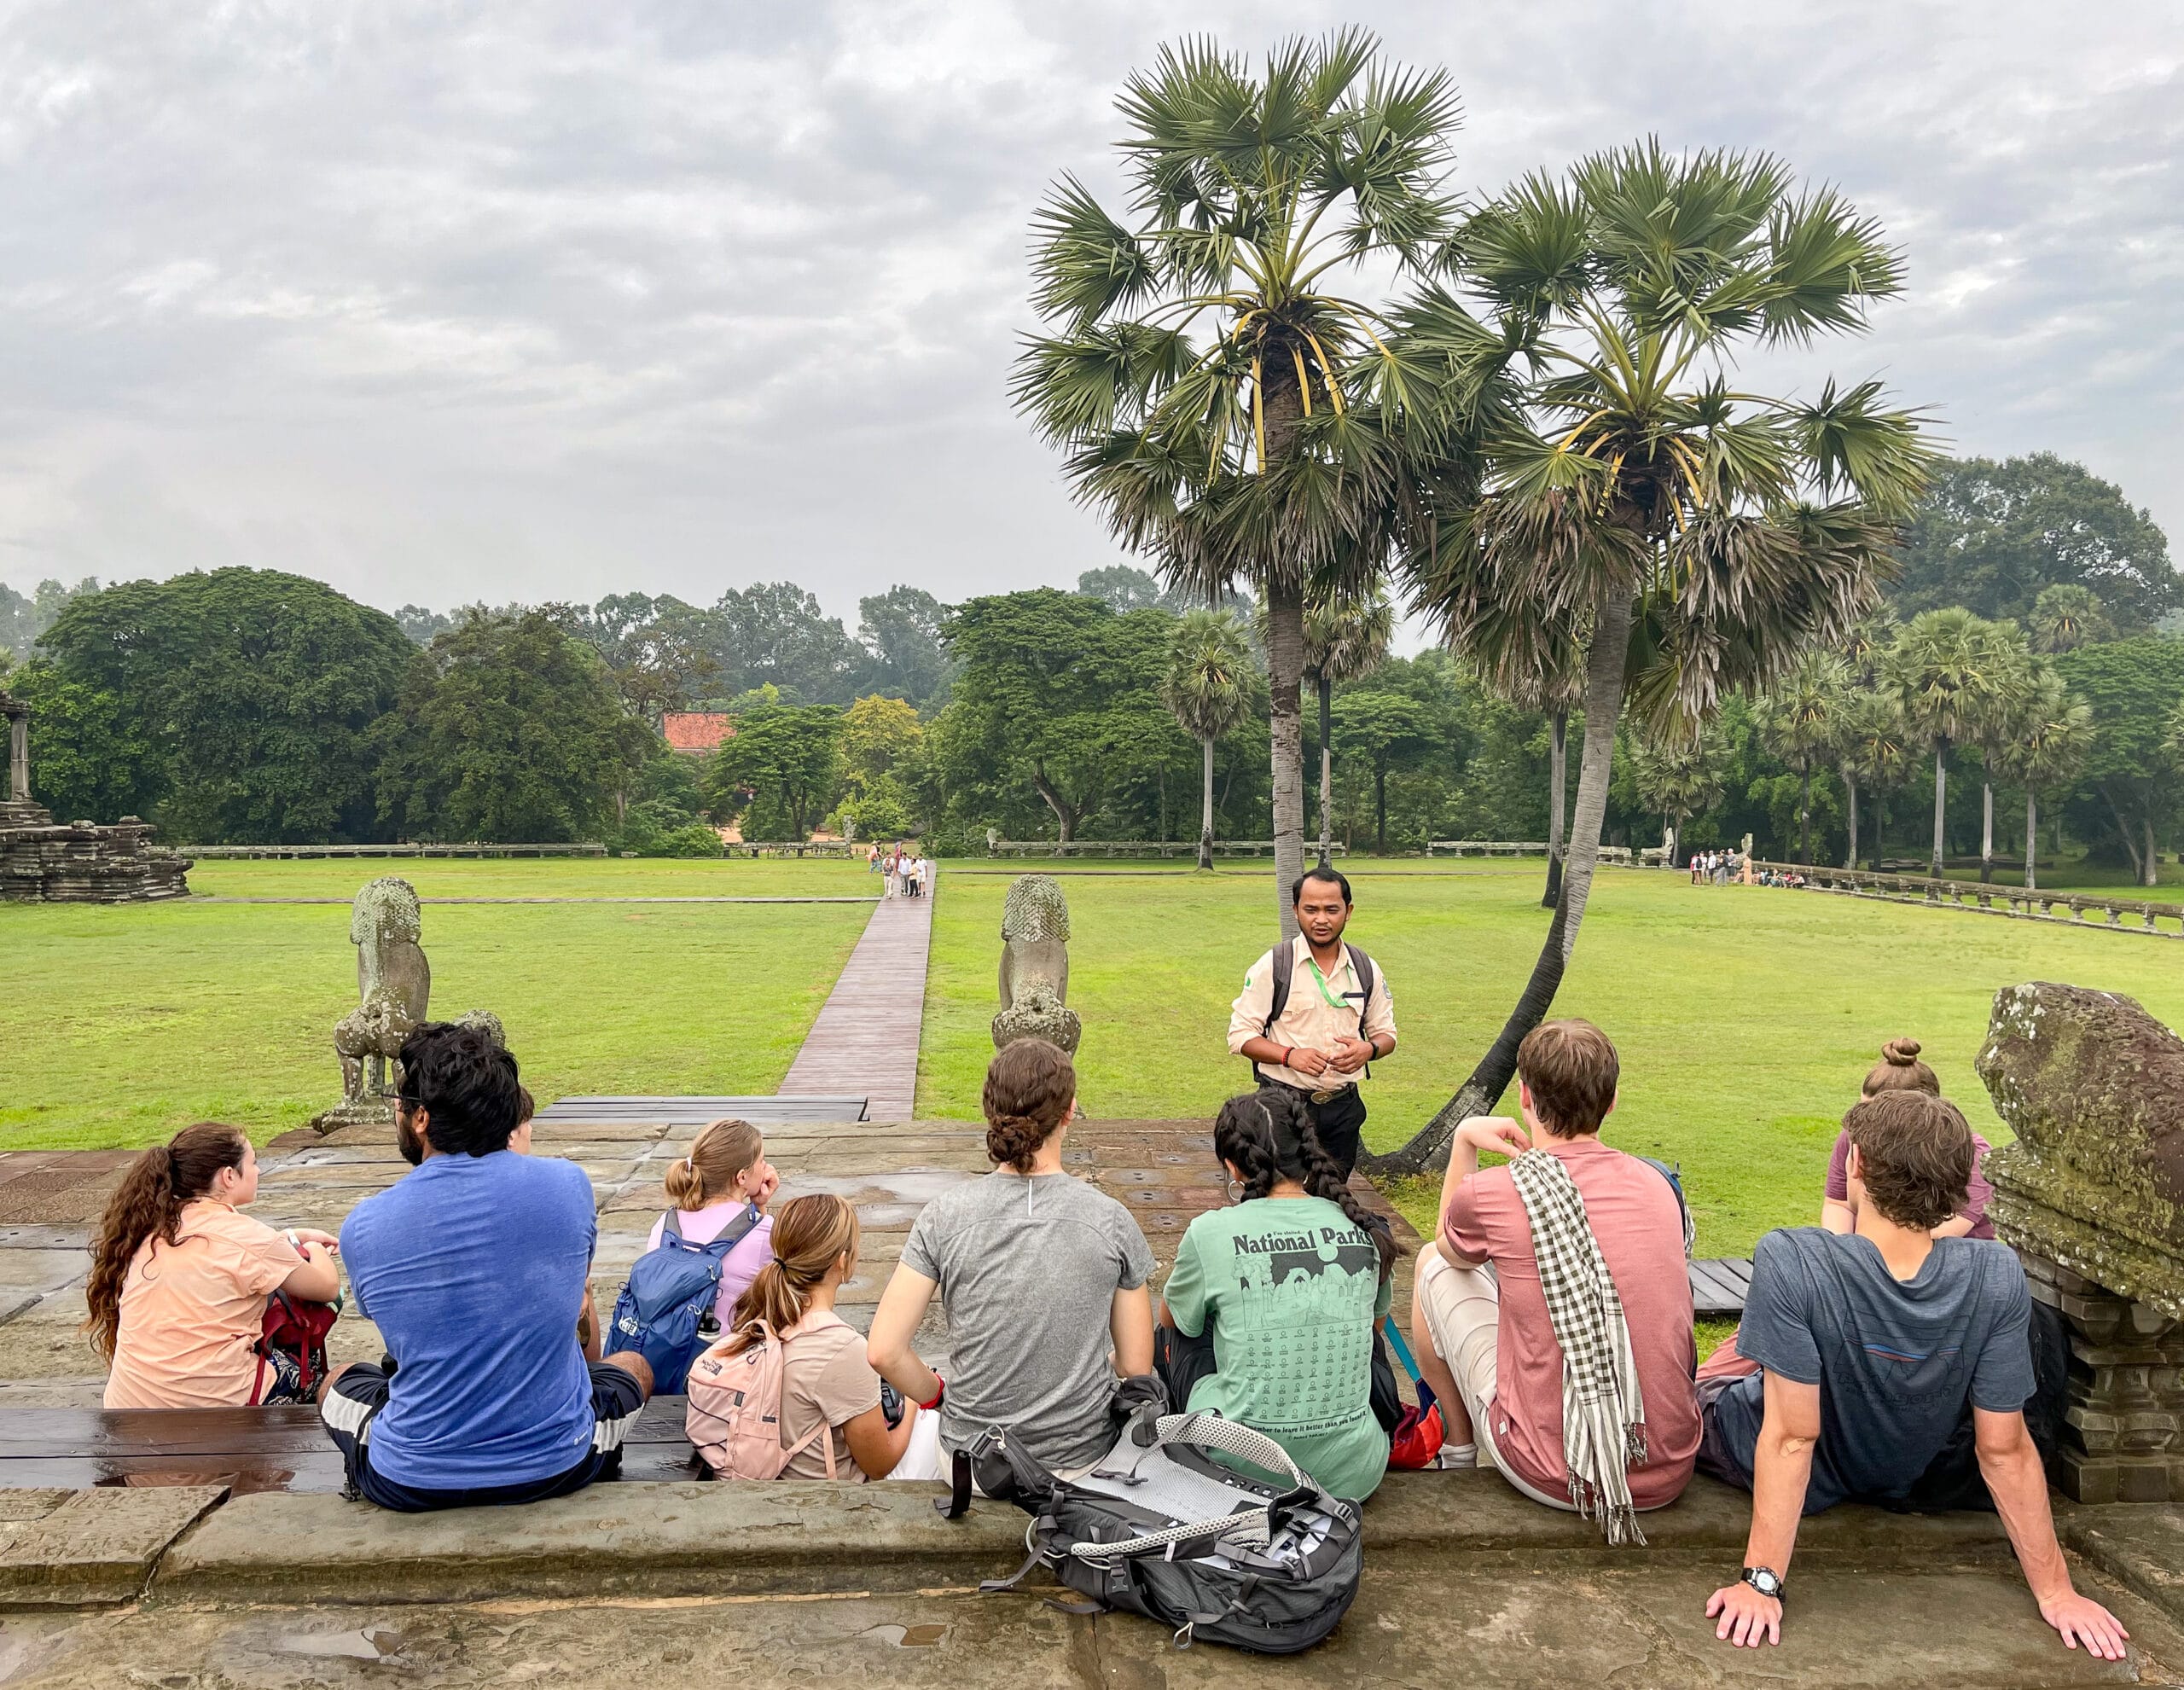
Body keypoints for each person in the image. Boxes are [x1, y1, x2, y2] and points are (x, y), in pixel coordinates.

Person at [1698, 1089, 2127, 1660]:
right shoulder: (1996, 1273)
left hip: (1754, 1435)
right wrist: (2057, 1593)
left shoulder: (1792, 1258)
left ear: (1857, 1163)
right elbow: (2003, 1447)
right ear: (1958, 1184)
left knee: (1704, 1383)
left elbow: (1791, 1436)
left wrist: (1761, 1583)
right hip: (1897, 1468)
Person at [320, 1021, 653, 1512]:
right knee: (633, 1367)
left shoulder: (366, 1225)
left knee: (339, 1378)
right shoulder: (568, 1186)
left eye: (401, 1105)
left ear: (421, 1119)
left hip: (413, 1480)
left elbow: (394, 1329)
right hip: (556, 1464)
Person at [1409, 1019, 1699, 1541]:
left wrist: (1464, 1141)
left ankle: (1458, 1450)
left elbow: (1451, 1250)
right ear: (1611, 1102)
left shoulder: (1496, 1191)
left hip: (1549, 1472)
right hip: (1669, 1468)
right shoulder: (1660, 1186)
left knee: (1432, 1263)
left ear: (1525, 1096)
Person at [866, 1037, 1155, 1478]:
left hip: (975, 1463)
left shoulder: (944, 1216)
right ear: (1070, 1111)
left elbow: (885, 1351)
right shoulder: (1110, 1219)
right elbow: (1135, 1365)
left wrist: (938, 1397)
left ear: (990, 1108)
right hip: (1080, 1462)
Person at [1157, 1088, 1397, 1501]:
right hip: (1355, 1473)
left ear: (1233, 1168)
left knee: (1181, 1326)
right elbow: (1374, 1330)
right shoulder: (1364, 1227)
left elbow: (1173, 1321)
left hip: (1235, 1465)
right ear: (1307, 1152)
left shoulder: (1210, 1232)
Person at [89, 1124, 342, 1408]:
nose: (258, 1171)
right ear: (229, 1176)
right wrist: (314, 1248)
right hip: (214, 1408)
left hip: (129, 1406)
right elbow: (327, 1288)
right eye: (253, 1162)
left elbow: (236, 1254)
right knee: (310, 1329)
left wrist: (289, 1238)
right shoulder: (248, 1237)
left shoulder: (152, 1230)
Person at [688, 1193, 925, 1481]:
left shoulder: (760, 1318)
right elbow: (879, 1464)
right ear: (843, 1261)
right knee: (938, 1427)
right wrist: (915, 1399)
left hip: (758, 1480)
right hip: (825, 1498)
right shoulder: (843, 1348)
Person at [1227, 866, 1398, 1180]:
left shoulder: (1365, 968)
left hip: (1343, 1108)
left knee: (1332, 1193)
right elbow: (1240, 1035)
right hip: (1281, 1107)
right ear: (1296, 911)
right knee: (1279, 1192)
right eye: (1311, 910)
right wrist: (1290, 1056)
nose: (1321, 919)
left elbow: (1386, 1034)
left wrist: (1369, 1050)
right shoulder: (1275, 965)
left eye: (1331, 910)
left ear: (1348, 912)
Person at [1822, 1039, 1994, 1239]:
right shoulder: (1857, 1135)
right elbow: (1838, 1203)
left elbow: (1947, 1230)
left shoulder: (1971, 1152)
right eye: (1862, 1110)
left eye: (1875, 1115)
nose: (1863, 1123)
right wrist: (1842, 1248)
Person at [642, 1118, 780, 1325]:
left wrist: (757, 1206)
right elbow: (782, 1299)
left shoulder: (666, 1224)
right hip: (727, 1344)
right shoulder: (764, 1232)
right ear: (742, 1177)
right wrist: (760, 1211)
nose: (766, 1167)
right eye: (762, 1160)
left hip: (663, 1343)